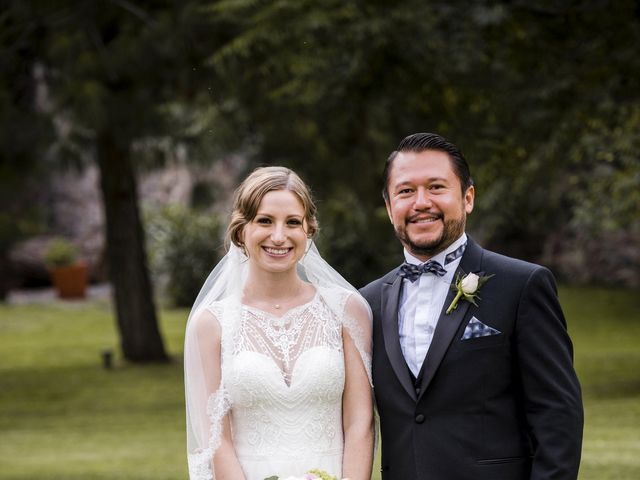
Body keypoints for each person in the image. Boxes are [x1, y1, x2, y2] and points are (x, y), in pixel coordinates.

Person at [361, 133, 583, 480]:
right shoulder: (366, 303)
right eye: (406, 191)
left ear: (467, 198)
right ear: (390, 207)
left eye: (436, 187)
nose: (421, 202)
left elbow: (557, 413)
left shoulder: (521, 285)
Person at [184, 166, 374, 480]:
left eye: (293, 223)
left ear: (308, 230)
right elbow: (216, 440)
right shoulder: (212, 324)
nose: (279, 236)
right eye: (265, 221)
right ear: (241, 229)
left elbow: (360, 423)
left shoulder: (346, 310)